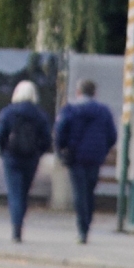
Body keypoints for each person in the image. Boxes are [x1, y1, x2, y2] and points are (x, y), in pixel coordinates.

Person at [53, 79, 119, 244]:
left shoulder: (70, 110)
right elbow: (112, 135)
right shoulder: (104, 111)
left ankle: (82, 229)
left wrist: (61, 149)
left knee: (79, 192)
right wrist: (102, 149)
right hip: (95, 157)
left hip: (75, 156)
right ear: (95, 93)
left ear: (78, 92)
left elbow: (60, 132)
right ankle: (87, 223)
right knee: (89, 191)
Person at [0, 80, 53, 242]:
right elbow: (46, 138)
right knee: (24, 192)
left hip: (11, 157)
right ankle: (20, 223)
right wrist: (38, 153)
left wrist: (3, 152)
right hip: (30, 159)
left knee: (15, 193)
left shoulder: (8, 112)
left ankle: (16, 228)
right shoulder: (39, 114)